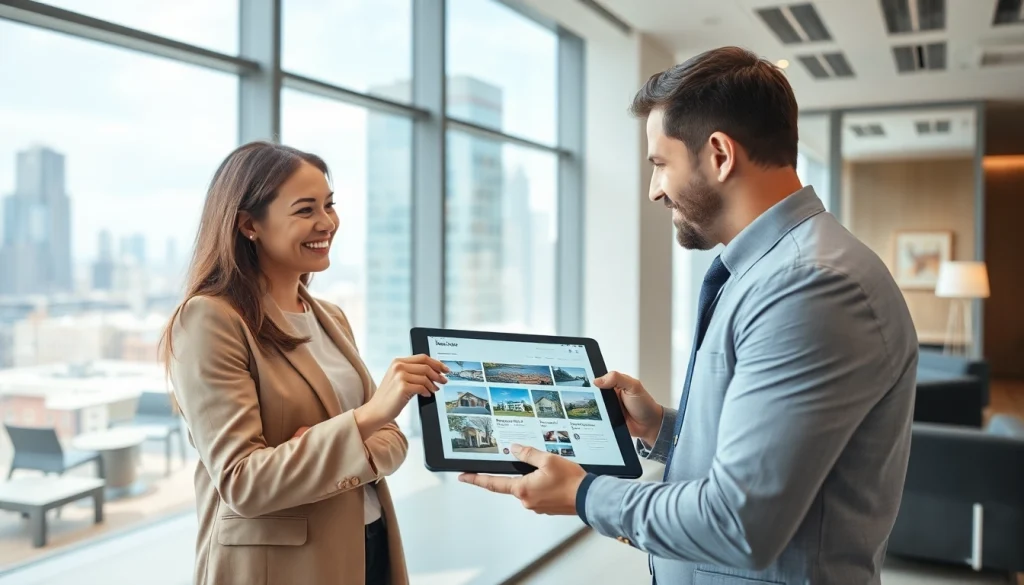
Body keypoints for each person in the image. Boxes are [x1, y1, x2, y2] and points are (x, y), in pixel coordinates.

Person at [458, 46, 918, 585]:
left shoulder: (809, 286)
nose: (655, 190)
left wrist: (583, 494)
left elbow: (740, 523)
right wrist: (662, 427)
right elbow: (778, 453)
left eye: (660, 164)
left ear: (719, 154)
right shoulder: (773, 270)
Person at [161, 141, 448, 585]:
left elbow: (393, 440)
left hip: (368, 544)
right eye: (305, 210)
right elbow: (243, 482)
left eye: (329, 205)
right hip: (284, 568)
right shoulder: (209, 320)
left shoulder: (331, 317)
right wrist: (365, 420)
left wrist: (324, 444)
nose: (327, 222)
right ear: (249, 224)